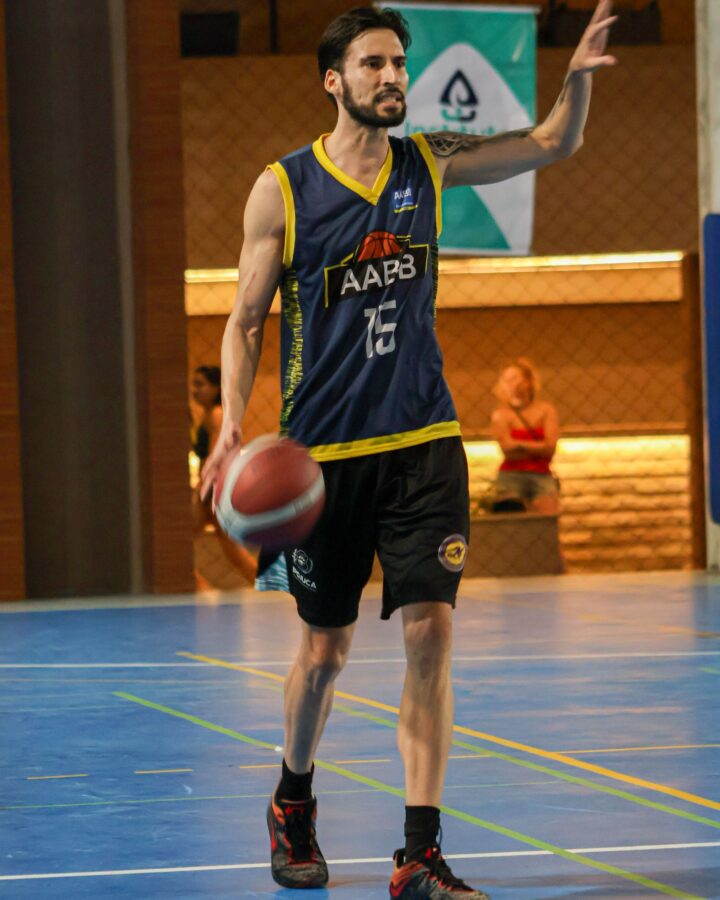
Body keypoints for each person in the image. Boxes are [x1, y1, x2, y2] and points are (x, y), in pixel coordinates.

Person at [201, 3, 617, 895]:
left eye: (398, 63)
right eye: (373, 64)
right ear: (333, 80)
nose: (392, 76)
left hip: (425, 442)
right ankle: (293, 800)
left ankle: (419, 854)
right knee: (325, 655)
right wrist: (232, 423)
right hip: (324, 461)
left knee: (431, 633)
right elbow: (244, 322)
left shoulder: (428, 162)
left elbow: (553, 143)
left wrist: (576, 78)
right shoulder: (283, 188)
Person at [191, 365, 257, 586]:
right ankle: (267, 585)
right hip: (216, 490)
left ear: (216, 388)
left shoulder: (217, 414)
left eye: (200, 384)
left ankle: (200, 588)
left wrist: (204, 486)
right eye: (194, 384)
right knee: (232, 550)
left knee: (177, 544)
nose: (194, 390)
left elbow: (216, 455)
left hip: (213, 489)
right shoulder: (212, 414)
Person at [490, 359, 561, 516]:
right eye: (506, 380)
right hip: (511, 475)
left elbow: (550, 447)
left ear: (528, 381)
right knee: (512, 519)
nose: (510, 384)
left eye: (514, 378)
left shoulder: (546, 410)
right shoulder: (501, 414)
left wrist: (518, 445)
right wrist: (538, 446)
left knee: (546, 518)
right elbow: (507, 448)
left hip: (542, 474)